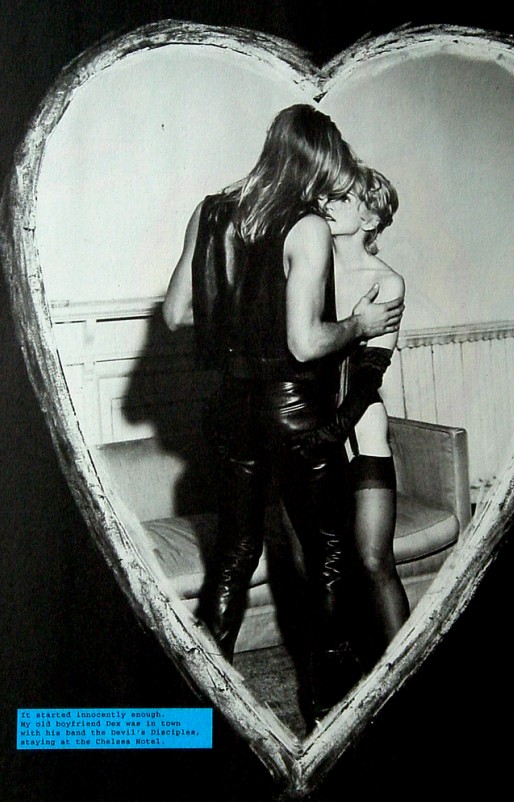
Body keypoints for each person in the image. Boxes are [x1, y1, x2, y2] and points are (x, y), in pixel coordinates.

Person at [162, 105, 403, 723]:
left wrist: (242, 314)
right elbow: (305, 342)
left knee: (234, 555)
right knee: (328, 555)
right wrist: (359, 324)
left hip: (231, 411)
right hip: (294, 411)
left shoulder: (212, 211)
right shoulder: (306, 225)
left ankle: (199, 708)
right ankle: (325, 711)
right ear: (317, 159)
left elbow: (176, 314)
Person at [295, 165, 410, 670]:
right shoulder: (307, 269)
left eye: (341, 197)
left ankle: (407, 670)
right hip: (311, 431)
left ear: (369, 217)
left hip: (360, 429)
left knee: (373, 560)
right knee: (321, 565)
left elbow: (369, 376)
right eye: (327, 194)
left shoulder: (387, 281)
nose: (326, 202)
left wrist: (334, 431)